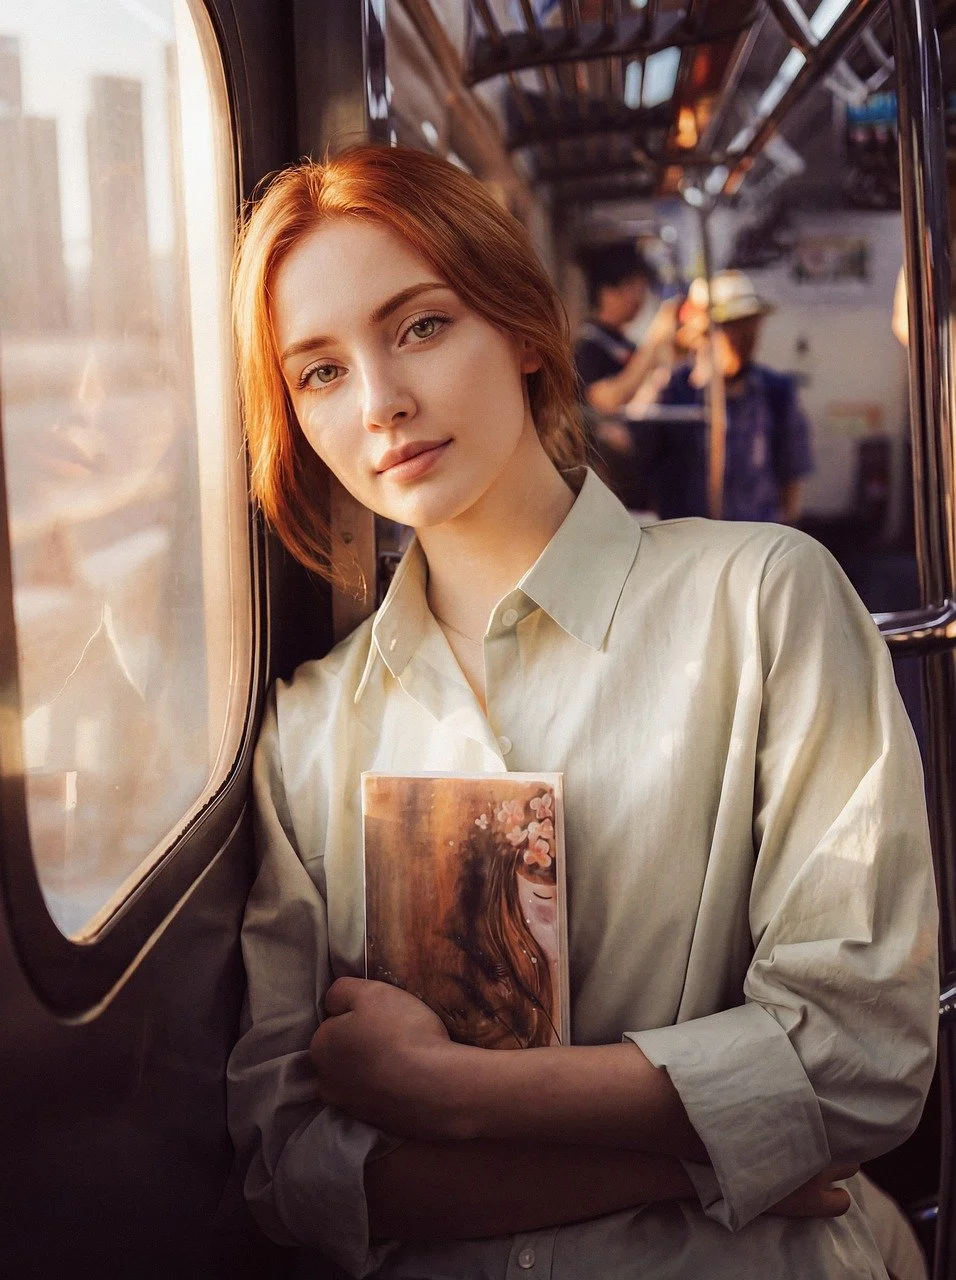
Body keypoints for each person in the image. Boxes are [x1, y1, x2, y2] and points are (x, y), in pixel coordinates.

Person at [227, 145, 938, 1280]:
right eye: (316, 371)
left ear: (520, 328)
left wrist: (443, 1092)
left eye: (418, 325)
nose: (380, 402)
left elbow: (859, 1055)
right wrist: (696, 1157)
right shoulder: (309, 728)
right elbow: (292, 1163)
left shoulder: (761, 599)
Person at [655, 270, 814, 524]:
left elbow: (792, 475)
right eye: (731, 327)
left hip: (756, 543)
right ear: (704, 333)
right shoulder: (674, 393)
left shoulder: (777, 392)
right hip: (690, 546)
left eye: (750, 326)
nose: (744, 338)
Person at [574, 242, 678, 512]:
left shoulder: (624, 343)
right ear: (608, 292)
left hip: (645, 484)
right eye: (634, 287)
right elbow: (607, 400)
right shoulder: (590, 347)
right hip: (613, 489)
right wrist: (654, 342)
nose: (640, 297)